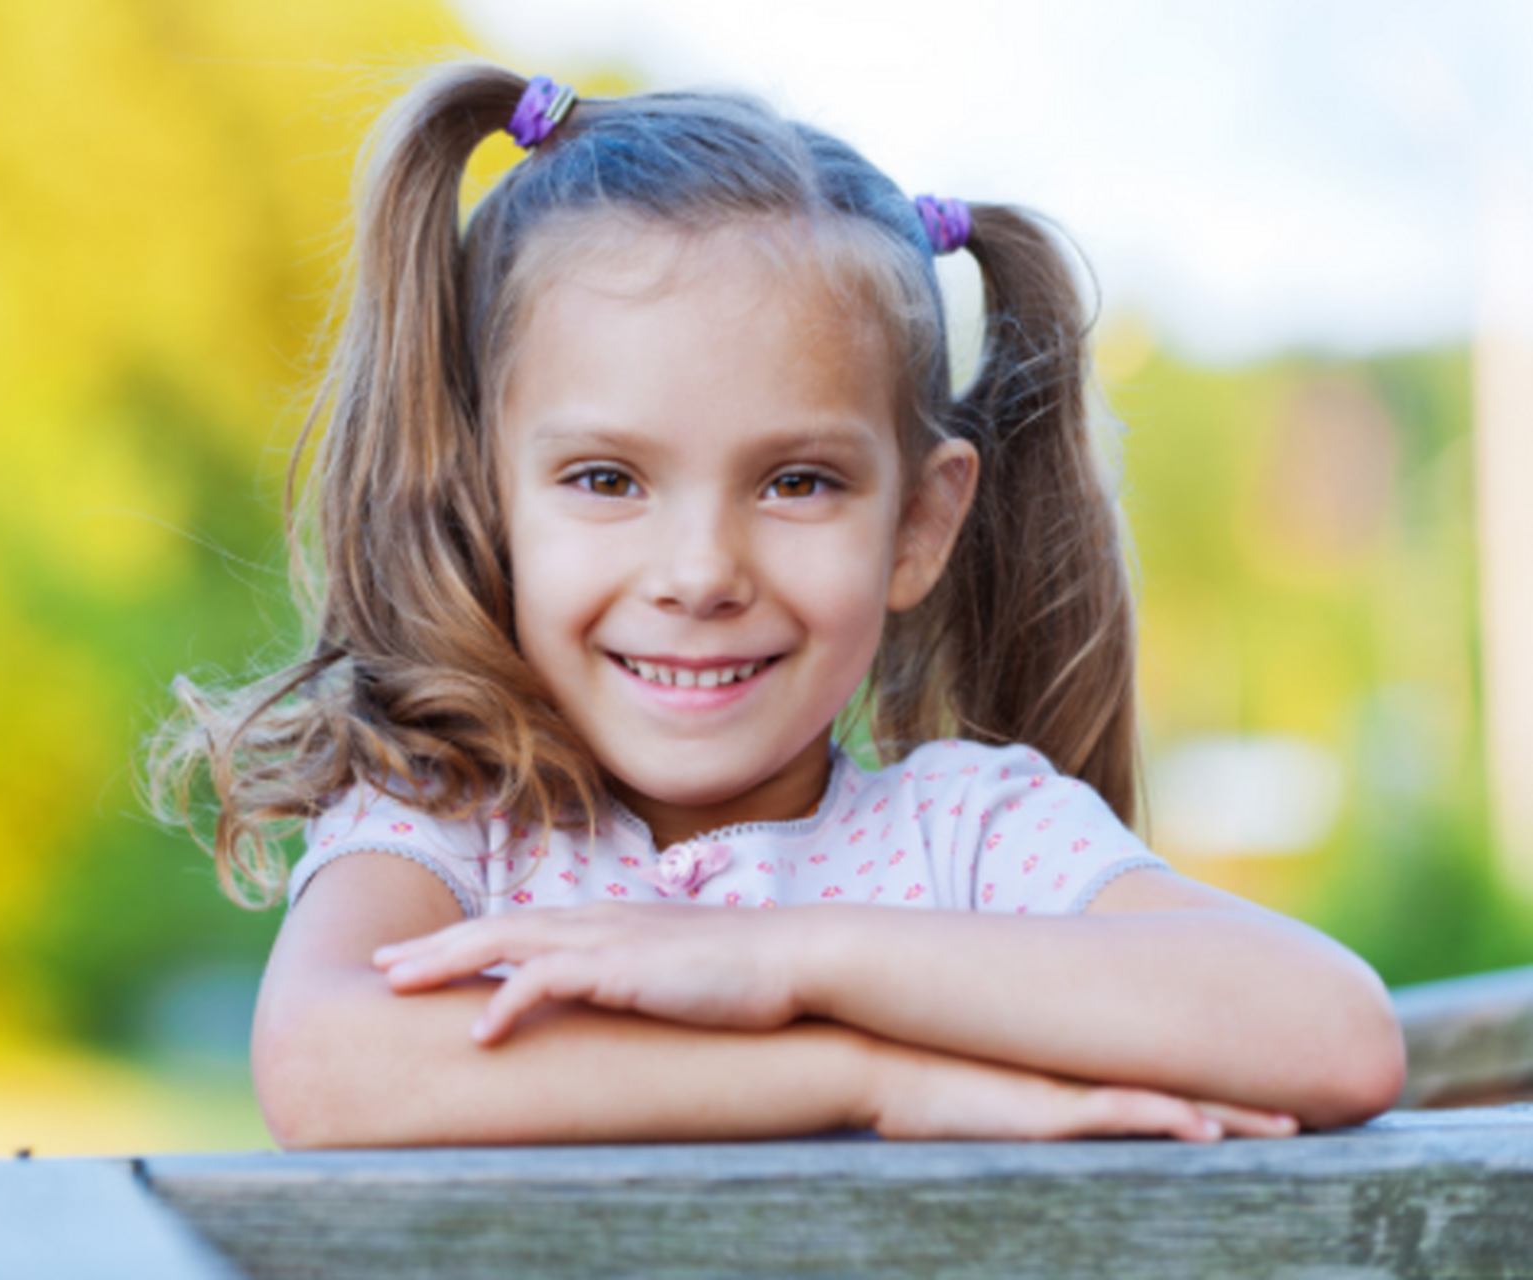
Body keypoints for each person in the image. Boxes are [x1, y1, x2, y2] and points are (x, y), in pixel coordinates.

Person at [148, 64, 1406, 1149]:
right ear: (488, 496)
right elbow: (324, 1063)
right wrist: (863, 1076)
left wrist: (789, 957)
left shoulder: (968, 838)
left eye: (795, 481)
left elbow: (1334, 1033)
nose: (699, 571)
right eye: (605, 478)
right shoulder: (453, 827)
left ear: (917, 523)